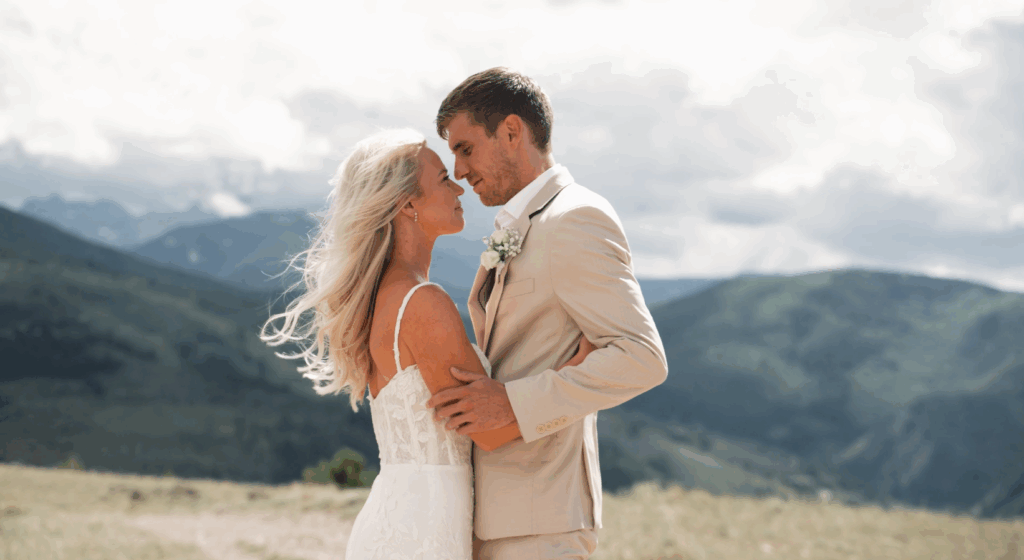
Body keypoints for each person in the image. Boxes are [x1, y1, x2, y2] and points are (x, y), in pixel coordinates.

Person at [260, 127, 595, 559]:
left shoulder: (384, 297)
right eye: (441, 178)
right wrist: (579, 380)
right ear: (408, 204)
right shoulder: (422, 302)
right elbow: (491, 432)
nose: (458, 186)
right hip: (424, 528)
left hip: (404, 514)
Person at [425, 67, 668, 559]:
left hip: (542, 523)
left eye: (465, 148)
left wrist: (513, 405)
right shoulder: (524, 223)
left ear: (512, 132)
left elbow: (642, 358)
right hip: (495, 516)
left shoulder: (575, 218)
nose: (459, 170)